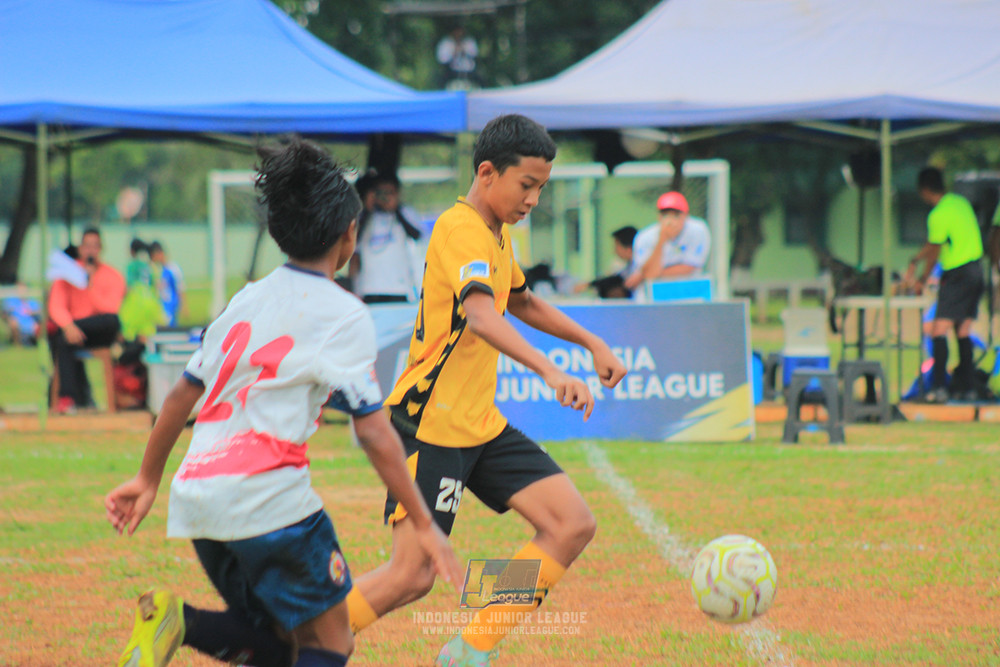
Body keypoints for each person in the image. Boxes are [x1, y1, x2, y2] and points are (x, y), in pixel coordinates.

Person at [105, 137, 462, 667]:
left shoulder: (246, 298)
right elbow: (372, 430)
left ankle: (179, 620)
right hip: (270, 502)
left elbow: (182, 393)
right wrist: (423, 522)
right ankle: (182, 620)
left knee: (277, 643)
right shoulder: (343, 312)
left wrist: (147, 479)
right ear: (349, 234)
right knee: (332, 642)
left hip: (199, 500)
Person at [343, 114, 627, 666]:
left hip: (479, 422)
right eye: (527, 186)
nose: (534, 201)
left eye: (541, 188)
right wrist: (550, 370)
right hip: (430, 423)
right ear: (488, 172)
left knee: (570, 524)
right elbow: (479, 314)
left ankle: (470, 648)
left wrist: (592, 342)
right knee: (412, 574)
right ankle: (294, 644)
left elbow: (520, 301)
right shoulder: (460, 228)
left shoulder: (495, 234)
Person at [905, 166, 985, 403]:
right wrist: (916, 259)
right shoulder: (960, 203)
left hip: (957, 273)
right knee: (963, 331)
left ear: (924, 190)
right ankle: (968, 388)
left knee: (939, 330)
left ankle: (938, 388)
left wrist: (920, 277)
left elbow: (934, 249)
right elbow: (932, 245)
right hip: (976, 271)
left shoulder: (937, 214)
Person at [47, 227, 126, 413]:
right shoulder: (67, 273)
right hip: (73, 331)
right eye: (87, 246)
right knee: (62, 338)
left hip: (100, 329)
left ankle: (75, 397)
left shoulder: (112, 276)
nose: (90, 250)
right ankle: (68, 398)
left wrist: (89, 284)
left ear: (101, 249)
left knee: (111, 320)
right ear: (81, 248)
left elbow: (110, 309)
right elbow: (56, 305)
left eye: (95, 246)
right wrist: (68, 326)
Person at [349, 172, 424, 304]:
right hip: (370, 289)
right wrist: (367, 209)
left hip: (399, 289)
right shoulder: (365, 218)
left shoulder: (405, 213)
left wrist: (396, 210)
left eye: (390, 193)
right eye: (381, 193)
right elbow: (354, 240)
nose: (385, 197)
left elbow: (416, 236)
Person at [623, 191, 711, 296]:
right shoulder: (645, 237)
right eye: (665, 215)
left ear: (685, 216)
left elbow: (690, 266)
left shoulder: (698, 230)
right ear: (659, 217)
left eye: (676, 215)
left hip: (688, 293)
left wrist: (644, 275)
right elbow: (649, 274)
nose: (670, 221)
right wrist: (662, 240)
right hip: (656, 295)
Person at [574, 225, 639, 299]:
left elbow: (619, 280)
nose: (614, 251)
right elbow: (617, 278)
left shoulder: (639, 268)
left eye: (616, 246)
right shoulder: (628, 266)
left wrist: (589, 285)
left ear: (628, 249)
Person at [149, 241, 186, 327]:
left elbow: (180, 288)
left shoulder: (173, 268)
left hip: (171, 305)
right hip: (160, 306)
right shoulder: (156, 270)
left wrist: (183, 306)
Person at [436, 25, 480, 90]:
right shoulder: (446, 43)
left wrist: (464, 50)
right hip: (452, 71)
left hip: (469, 71)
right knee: (441, 80)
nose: (459, 34)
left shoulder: (469, 41)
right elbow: (442, 59)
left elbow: (475, 54)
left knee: (480, 79)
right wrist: (453, 52)